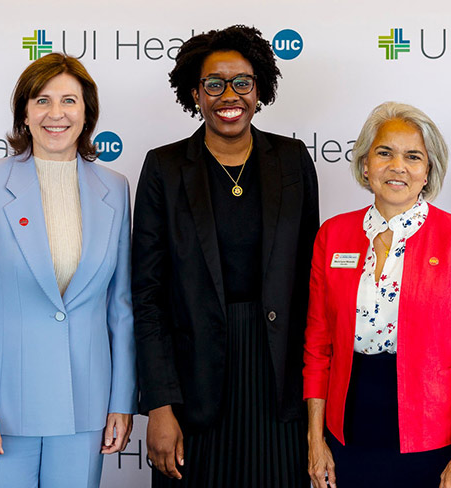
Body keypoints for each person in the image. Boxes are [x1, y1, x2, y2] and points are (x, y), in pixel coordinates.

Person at [132, 25, 319, 488]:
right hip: (193, 387)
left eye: (242, 82)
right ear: (195, 92)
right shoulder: (165, 167)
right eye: (214, 84)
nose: (228, 95)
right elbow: (148, 296)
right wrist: (159, 405)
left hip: (279, 381)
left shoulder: (293, 160)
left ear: (260, 90)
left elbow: (311, 286)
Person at [0, 53, 136, 488]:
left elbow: (121, 310)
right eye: (42, 101)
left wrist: (121, 400)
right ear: (24, 114)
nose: (56, 114)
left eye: (69, 100)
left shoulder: (116, 189)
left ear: (87, 113)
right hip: (1, 410)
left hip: (85, 406)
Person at [303, 101, 451, 488]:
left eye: (413, 156)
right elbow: (317, 347)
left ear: (427, 171)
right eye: (384, 153)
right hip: (347, 433)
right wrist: (316, 440)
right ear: (365, 164)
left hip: (434, 439)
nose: (398, 166)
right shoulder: (333, 235)